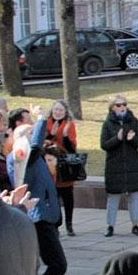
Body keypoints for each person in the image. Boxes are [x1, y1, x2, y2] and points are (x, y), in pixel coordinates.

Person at [10, 108, 68, 275]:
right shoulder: (24, 157)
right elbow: (33, 146)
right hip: (38, 220)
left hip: (46, 218)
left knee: (54, 266)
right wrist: (42, 119)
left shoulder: (36, 158)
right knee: (57, 265)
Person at [101, 95, 138, 237]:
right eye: (118, 105)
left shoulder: (133, 121)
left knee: (134, 196)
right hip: (115, 166)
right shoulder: (108, 123)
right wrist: (118, 138)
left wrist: (132, 139)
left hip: (132, 165)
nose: (122, 107)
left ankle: (135, 224)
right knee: (113, 197)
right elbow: (104, 144)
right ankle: (110, 225)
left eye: (124, 104)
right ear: (112, 107)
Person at [45, 100, 80, 236]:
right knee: (54, 196)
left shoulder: (69, 124)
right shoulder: (47, 123)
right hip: (51, 163)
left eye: (60, 110)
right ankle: (56, 223)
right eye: (55, 110)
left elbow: (72, 149)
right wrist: (51, 134)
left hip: (65, 164)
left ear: (65, 112)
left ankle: (69, 225)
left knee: (68, 196)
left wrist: (65, 136)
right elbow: (43, 143)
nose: (57, 113)